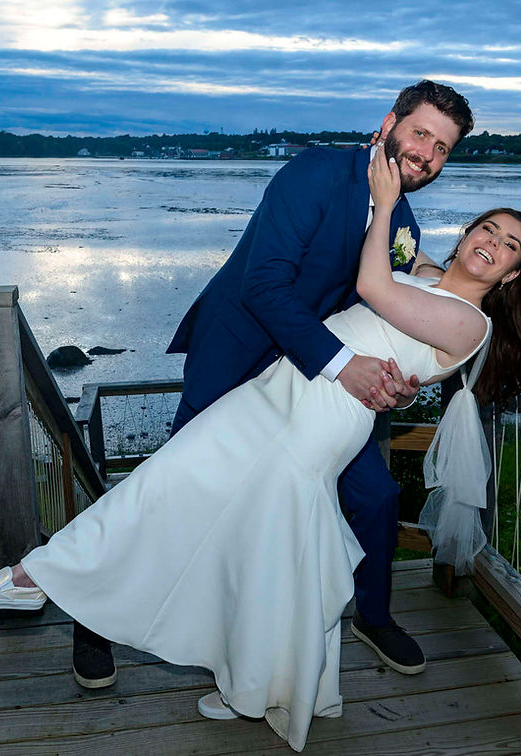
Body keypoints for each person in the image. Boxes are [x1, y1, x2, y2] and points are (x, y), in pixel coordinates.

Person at [0, 140, 521, 750]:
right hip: (277, 385)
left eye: (509, 246)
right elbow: (386, 322)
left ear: (513, 274)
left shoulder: (471, 321)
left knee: (223, 520)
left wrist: (383, 203)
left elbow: (372, 287)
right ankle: (241, 678)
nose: (491, 243)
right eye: (487, 228)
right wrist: (407, 384)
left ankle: (42, 582)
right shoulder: (424, 268)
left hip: (319, 415)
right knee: (224, 516)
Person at [162, 80, 476, 680]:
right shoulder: (313, 172)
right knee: (178, 486)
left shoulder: (398, 208)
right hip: (237, 351)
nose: (427, 155)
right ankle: (90, 616)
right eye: (421, 135)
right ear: (388, 124)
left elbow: (408, 275)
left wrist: (414, 361)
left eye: (442, 148)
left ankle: (374, 614)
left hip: (311, 376)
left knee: (378, 497)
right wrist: (346, 365)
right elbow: (264, 287)